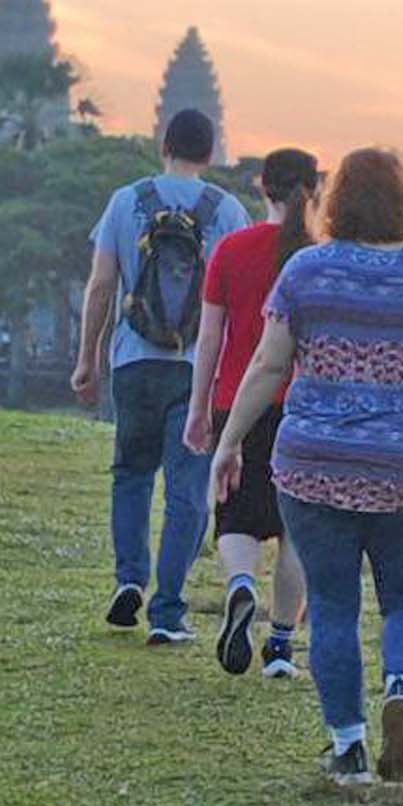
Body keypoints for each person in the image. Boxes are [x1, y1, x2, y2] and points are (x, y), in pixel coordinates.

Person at [212, 147, 403, 786]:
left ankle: (348, 746)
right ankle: (401, 684)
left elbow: (267, 366)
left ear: (334, 201)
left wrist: (230, 441)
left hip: (317, 465)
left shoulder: (305, 272)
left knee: (336, 607)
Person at [72, 109, 251, 645]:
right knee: (186, 491)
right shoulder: (228, 211)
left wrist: (88, 357)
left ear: (163, 144)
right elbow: (240, 303)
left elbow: (101, 286)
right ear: (211, 152)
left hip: (133, 361)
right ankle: (167, 611)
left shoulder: (126, 202)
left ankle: (129, 579)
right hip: (197, 368)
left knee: (130, 473)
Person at [182, 147, 319, 678]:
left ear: (263, 187)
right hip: (305, 409)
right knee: (295, 528)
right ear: (315, 189)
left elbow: (209, 337)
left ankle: (241, 585)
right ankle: (281, 646)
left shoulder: (231, 251)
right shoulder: (320, 258)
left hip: (237, 401)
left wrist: (200, 411)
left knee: (235, 514)